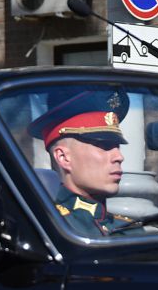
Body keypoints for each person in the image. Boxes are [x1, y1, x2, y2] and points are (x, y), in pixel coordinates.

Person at [28, 89, 133, 237]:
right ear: (63, 157)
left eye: (117, 147)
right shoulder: (47, 228)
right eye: (104, 146)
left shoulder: (130, 229)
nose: (119, 157)